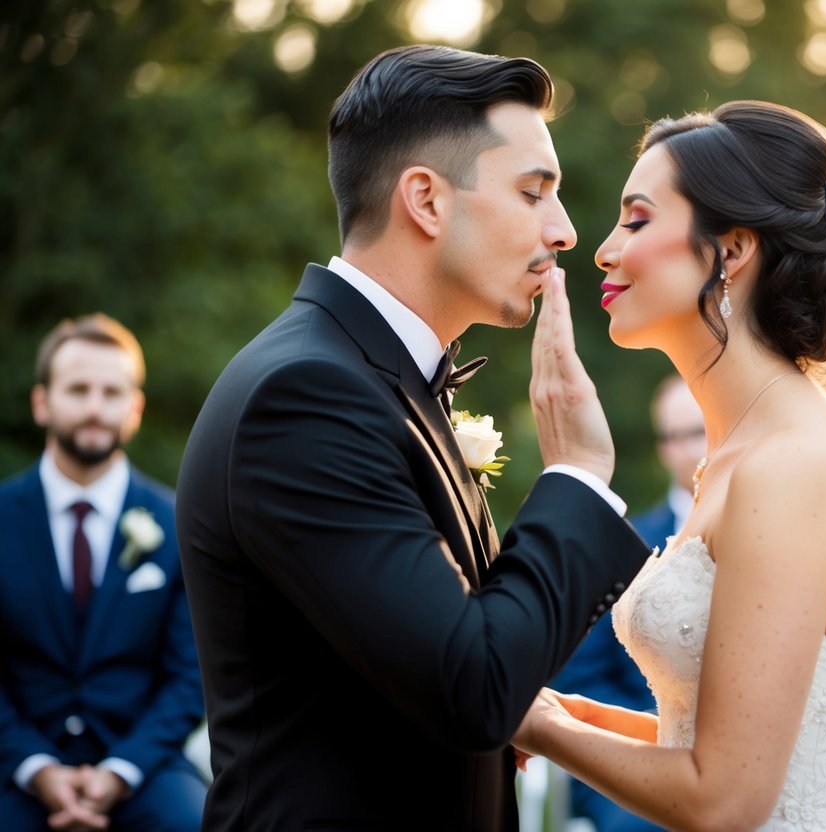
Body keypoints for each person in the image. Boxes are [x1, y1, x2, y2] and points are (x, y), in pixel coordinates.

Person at [512, 101, 826, 830]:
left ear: (729, 251)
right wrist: (555, 711)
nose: (602, 250)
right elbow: (717, 739)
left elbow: (724, 796)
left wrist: (533, 727)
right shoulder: (739, 453)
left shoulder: (793, 468)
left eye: (634, 220)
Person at [173, 45, 651, 831]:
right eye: (535, 193)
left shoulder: (368, 380)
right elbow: (472, 688)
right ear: (426, 200)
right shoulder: (304, 399)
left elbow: (436, 658)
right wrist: (578, 478)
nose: (565, 232)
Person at [0, 313, 206, 831]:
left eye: (112, 393)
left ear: (134, 408)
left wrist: (120, 771)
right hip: (14, 767)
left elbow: (191, 675)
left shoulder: (176, 522)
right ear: (42, 402)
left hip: (143, 767)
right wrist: (37, 768)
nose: (95, 408)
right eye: (78, 389)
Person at [551, 373, 704, 832]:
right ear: (665, 448)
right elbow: (584, 675)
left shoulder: (779, 532)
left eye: (705, 428)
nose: (698, 445)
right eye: (684, 434)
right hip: (638, 753)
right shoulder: (624, 543)